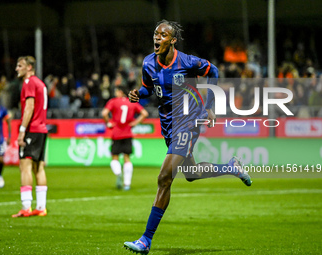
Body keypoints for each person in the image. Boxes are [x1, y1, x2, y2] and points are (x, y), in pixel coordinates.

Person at [124, 20, 252, 254]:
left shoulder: (187, 62)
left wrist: (210, 106)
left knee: (165, 177)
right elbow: (148, 88)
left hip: (188, 120)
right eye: (155, 34)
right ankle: (232, 167)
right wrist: (138, 94)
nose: (157, 38)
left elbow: (213, 71)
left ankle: (146, 239)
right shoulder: (148, 63)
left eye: (163, 35)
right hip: (168, 124)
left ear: (173, 40)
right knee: (191, 174)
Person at [12, 56, 48, 218]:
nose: (16, 69)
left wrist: (21, 131)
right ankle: (41, 207)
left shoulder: (29, 83)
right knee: (38, 167)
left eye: (20, 66)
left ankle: (26, 207)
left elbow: (29, 107)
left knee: (24, 166)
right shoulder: (41, 83)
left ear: (29, 68)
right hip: (41, 129)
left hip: (32, 130)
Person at [102, 85, 148, 191]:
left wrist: (108, 123)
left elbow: (104, 113)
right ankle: (127, 184)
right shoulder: (132, 102)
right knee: (127, 158)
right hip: (128, 133)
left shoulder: (113, 101)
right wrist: (135, 123)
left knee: (115, 158)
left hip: (116, 133)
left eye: (117, 91)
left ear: (120, 92)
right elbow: (145, 113)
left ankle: (118, 173)